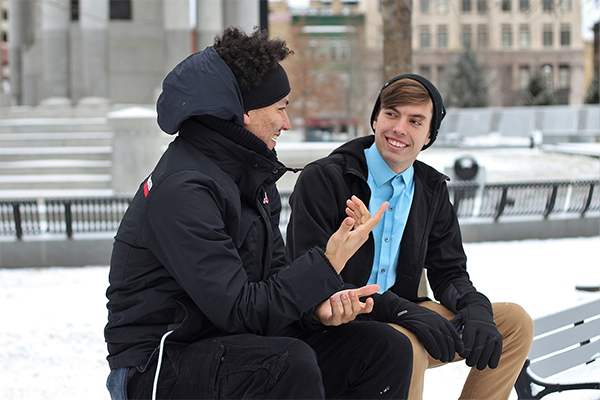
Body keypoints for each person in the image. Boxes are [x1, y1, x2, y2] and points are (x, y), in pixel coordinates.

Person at [104, 27, 414, 400]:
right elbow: (238, 309)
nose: (286, 122)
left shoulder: (249, 176)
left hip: (231, 345)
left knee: (384, 348)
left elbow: (270, 282)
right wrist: (328, 263)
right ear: (244, 113)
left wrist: (317, 309)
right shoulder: (184, 188)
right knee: (286, 362)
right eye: (281, 107)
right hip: (157, 366)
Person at [285, 74, 535, 400]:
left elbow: (449, 271)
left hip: (407, 314)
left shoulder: (430, 189)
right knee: (405, 346)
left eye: (415, 120)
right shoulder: (325, 179)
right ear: (375, 118)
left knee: (513, 323)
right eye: (392, 114)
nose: (400, 129)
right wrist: (401, 310)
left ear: (429, 134)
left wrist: (474, 307)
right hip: (340, 321)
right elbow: (308, 276)